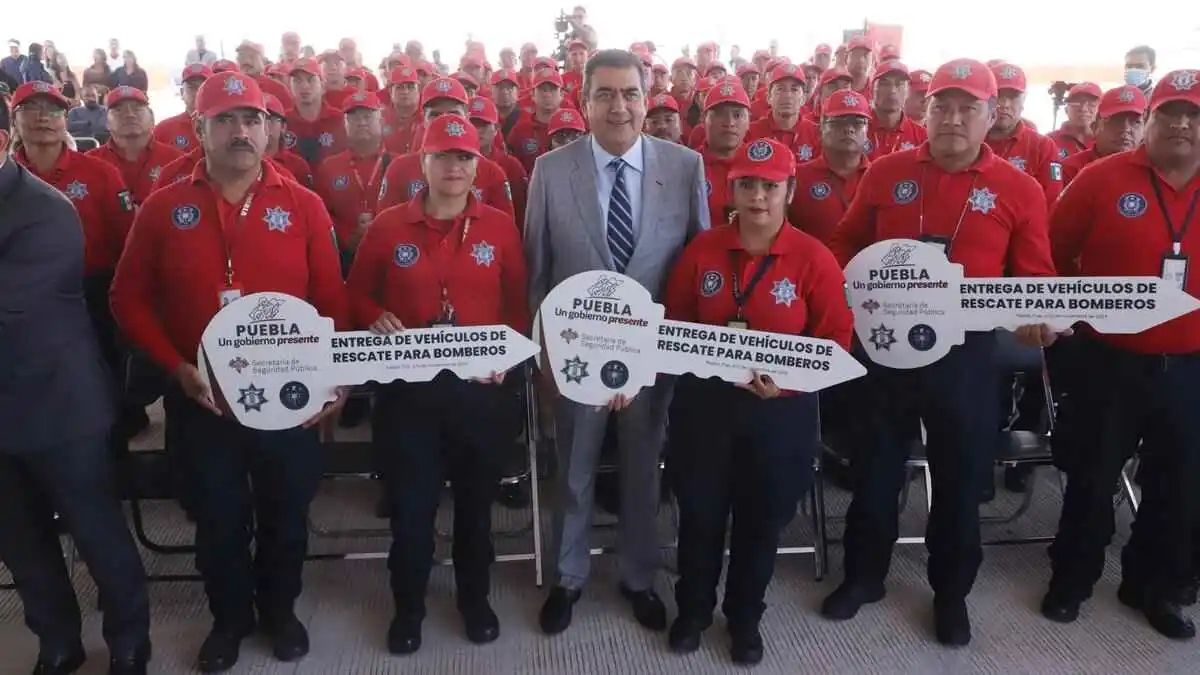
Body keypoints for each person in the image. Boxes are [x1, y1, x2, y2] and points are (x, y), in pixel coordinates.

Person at [109, 71, 349, 673]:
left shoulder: (304, 204)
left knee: (286, 512)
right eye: (226, 120)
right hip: (204, 397)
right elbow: (126, 297)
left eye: (252, 119)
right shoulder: (166, 204)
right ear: (200, 128)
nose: (242, 132)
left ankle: (279, 610)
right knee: (216, 518)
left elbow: (332, 303)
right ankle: (230, 619)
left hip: (290, 398)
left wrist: (334, 378)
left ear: (269, 128)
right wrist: (174, 367)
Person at [822, 59, 1060, 646]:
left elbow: (1035, 278)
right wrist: (845, 288)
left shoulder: (1019, 189)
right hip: (884, 352)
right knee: (874, 471)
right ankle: (863, 576)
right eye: (942, 106)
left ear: (992, 114)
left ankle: (951, 593)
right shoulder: (888, 172)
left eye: (968, 107)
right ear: (923, 112)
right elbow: (847, 242)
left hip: (966, 359)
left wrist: (1039, 322)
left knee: (959, 478)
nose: (953, 118)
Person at [525, 48, 710, 636]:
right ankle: (568, 577)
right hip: (576, 353)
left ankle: (639, 576)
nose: (619, 106)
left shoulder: (684, 167)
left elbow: (697, 268)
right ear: (583, 103)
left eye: (629, 93)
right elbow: (538, 270)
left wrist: (674, 354)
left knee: (641, 470)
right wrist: (544, 355)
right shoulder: (551, 171)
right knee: (574, 468)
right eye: (604, 94)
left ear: (646, 98)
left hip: (651, 359)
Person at [663, 137, 853, 664]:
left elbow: (836, 342)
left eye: (770, 186)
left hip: (778, 413)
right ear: (732, 189)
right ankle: (694, 610)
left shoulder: (812, 257)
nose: (758, 197)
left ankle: (745, 617)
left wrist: (788, 383)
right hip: (706, 408)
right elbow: (675, 320)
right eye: (747, 184)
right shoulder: (702, 249)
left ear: (790, 190)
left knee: (759, 520)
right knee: (700, 516)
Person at [346, 114, 529, 655]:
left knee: (475, 506)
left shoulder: (498, 225)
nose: (455, 166)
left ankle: (475, 598)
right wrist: (375, 314)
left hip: (480, 393)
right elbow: (355, 295)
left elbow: (517, 305)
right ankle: (408, 607)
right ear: (422, 162)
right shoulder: (388, 226)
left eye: (465, 157)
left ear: (479, 165)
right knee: (411, 507)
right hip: (409, 396)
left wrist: (506, 357)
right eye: (443, 156)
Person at [1041, 69, 1200, 640]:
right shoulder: (1101, 179)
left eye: (1195, 114)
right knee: (1091, 476)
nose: (1182, 123)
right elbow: (1052, 253)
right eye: (1170, 112)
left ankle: (1152, 588)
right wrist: (1059, 317)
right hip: (1106, 361)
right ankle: (1071, 580)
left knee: (1178, 485)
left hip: (1190, 367)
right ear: (1150, 119)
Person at [0, 80, 151, 675]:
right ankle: (56, 641)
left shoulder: (44, 209)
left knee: (97, 534)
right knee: (20, 541)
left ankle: (129, 640)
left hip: (57, 406)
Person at [788, 91, 872, 246]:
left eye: (858, 122)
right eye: (839, 122)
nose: (849, 129)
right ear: (820, 131)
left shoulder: (879, 177)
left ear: (868, 132)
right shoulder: (797, 177)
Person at [88, 86, 183, 205]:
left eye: (137, 108)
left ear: (152, 119)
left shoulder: (177, 161)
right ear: (107, 122)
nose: (129, 114)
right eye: (118, 110)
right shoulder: (88, 164)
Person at [1061, 85, 1146, 185]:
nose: (1126, 129)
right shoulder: (1071, 170)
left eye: (1135, 122)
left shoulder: (1155, 170)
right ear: (1094, 127)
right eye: (1116, 121)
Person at [154, 63, 211, 152]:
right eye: (192, 87)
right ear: (181, 93)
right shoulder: (163, 130)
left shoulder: (226, 129)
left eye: (203, 86)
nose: (198, 92)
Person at [1047, 82, 1101, 159]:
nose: (1083, 109)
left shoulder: (1111, 141)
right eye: (1076, 103)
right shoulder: (1049, 141)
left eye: (1091, 104)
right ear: (1066, 110)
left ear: (1101, 109)